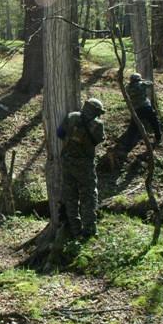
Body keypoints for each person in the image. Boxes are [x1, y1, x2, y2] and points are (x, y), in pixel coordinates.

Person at [57, 98, 106, 238]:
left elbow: (59, 134)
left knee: (70, 197)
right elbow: (99, 140)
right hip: (85, 165)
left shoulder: (71, 116)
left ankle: (75, 230)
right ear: (95, 112)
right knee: (88, 197)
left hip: (67, 163)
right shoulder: (97, 125)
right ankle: (89, 231)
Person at [121, 73, 162, 153]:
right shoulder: (142, 85)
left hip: (136, 109)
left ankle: (128, 145)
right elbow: (151, 83)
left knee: (133, 128)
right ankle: (158, 137)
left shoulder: (127, 87)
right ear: (138, 79)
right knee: (154, 122)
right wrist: (143, 81)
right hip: (146, 107)